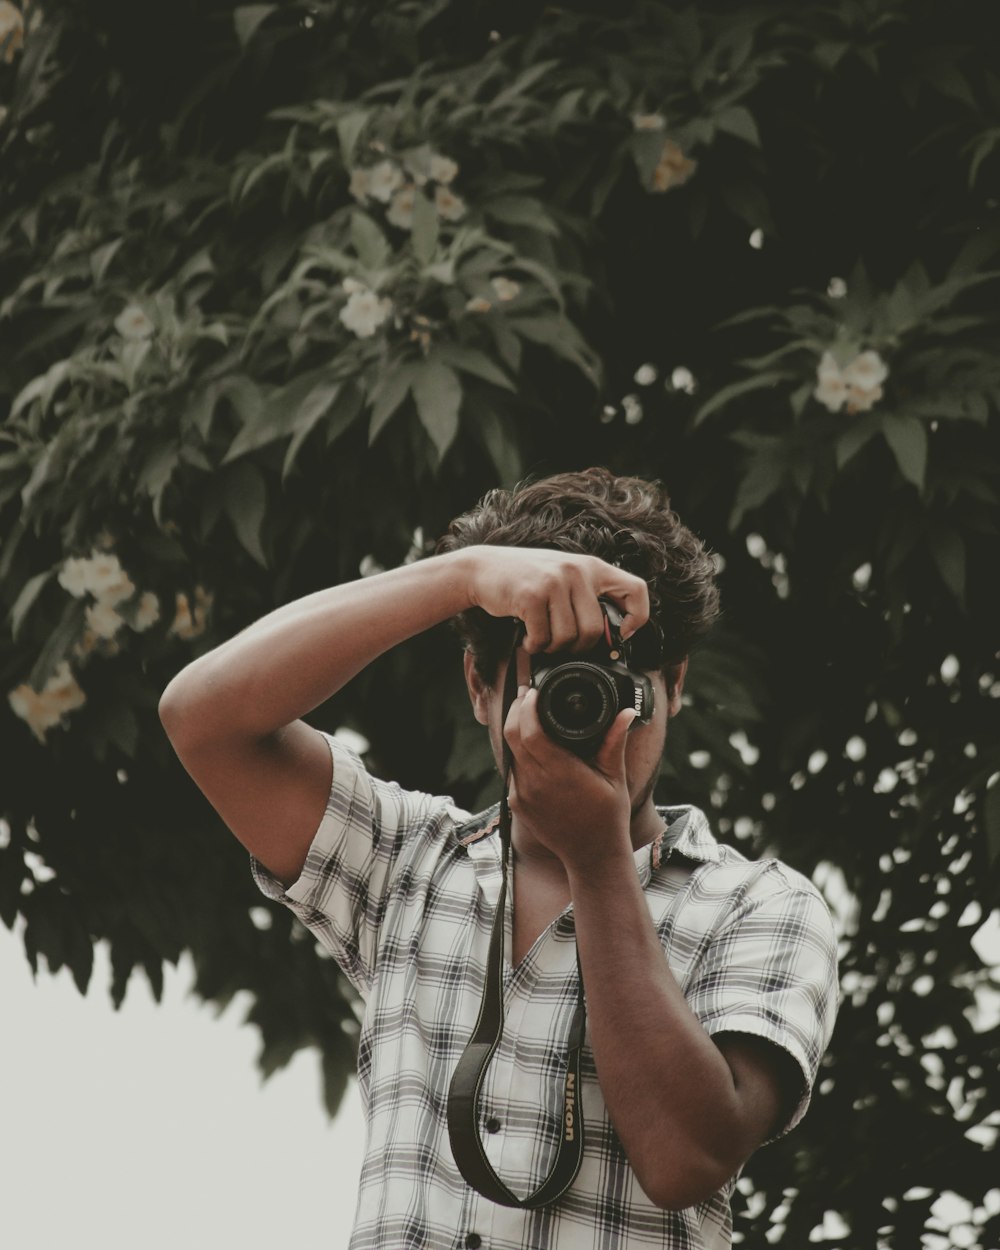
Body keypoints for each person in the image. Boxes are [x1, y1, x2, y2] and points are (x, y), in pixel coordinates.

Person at [160, 467, 839, 1249]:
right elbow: (203, 719)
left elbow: (687, 1157)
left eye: (621, 682)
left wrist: (598, 860)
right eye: (553, 679)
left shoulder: (762, 905)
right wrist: (462, 576)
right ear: (481, 686)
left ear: (675, 684)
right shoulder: (406, 857)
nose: (587, 709)